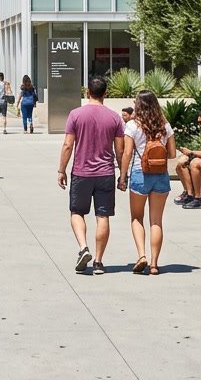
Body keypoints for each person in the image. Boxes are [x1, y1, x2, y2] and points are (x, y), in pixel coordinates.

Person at [58, 76, 125, 274]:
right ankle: (98, 262)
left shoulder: (76, 115)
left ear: (88, 92)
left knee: (77, 212)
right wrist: (122, 175)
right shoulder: (115, 118)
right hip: (106, 173)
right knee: (102, 215)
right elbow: (120, 151)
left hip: (82, 172)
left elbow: (68, 145)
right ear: (106, 93)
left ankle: (83, 248)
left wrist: (61, 170)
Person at [120, 91, 175, 276]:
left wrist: (122, 176)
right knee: (156, 221)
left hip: (139, 173)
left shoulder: (132, 126)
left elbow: (126, 153)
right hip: (160, 175)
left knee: (137, 217)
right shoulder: (165, 125)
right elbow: (173, 153)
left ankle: (142, 255)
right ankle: (154, 264)